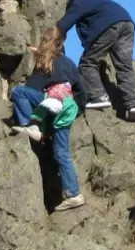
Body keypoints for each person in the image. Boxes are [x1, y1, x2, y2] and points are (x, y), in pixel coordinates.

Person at [9, 28, 85, 211]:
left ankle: (32, 126)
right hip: (67, 109)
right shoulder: (69, 63)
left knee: (19, 92)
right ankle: (75, 194)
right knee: (62, 153)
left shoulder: (47, 63)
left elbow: (33, 88)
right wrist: (76, 110)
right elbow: (82, 92)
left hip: (53, 104)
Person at [57, 0, 135, 122]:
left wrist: (53, 37)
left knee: (88, 63)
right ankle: (132, 105)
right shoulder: (95, 1)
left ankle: (98, 96)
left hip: (109, 24)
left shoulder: (78, 3)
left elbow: (65, 23)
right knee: (124, 67)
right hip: (128, 23)